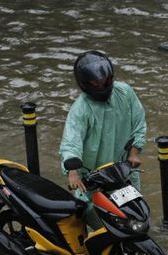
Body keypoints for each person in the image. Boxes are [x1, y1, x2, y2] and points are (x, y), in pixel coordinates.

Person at [59, 50, 147, 227]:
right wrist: (73, 172)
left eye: (104, 81)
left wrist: (135, 152)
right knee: (95, 222)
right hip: (92, 177)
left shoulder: (125, 93)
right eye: (95, 83)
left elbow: (139, 122)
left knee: (136, 216)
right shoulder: (81, 109)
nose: (101, 85)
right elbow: (71, 140)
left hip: (122, 169)